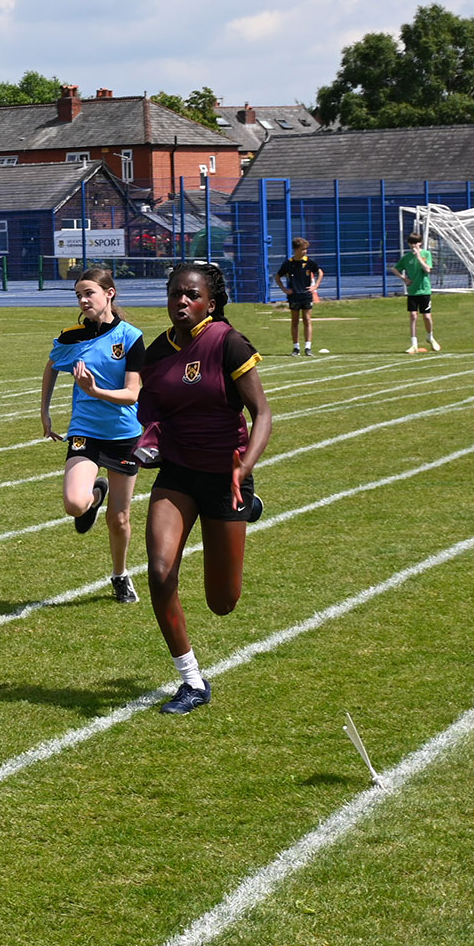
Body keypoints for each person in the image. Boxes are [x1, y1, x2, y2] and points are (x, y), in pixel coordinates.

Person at [136, 262, 274, 715]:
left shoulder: (227, 342)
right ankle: (192, 681)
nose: (181, 301)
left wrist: (244, 468)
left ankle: (247, 503)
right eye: (175, 293)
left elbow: (263, 414)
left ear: (209, 303)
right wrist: (145, 445)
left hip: (225, 475)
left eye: (191, 295)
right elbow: (150, 417)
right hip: (177, 473)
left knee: (222, 602)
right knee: (159, 572)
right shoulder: (156, 353)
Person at [39, 268, 145, 604]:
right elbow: (51, 364)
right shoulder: (72, 336)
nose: (83, 300)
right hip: (85, 432)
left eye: (89, 293)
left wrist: (95, 390)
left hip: (124, 434)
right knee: (73, 504)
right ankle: (93, 496)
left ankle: (120, 575)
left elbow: (132, 394)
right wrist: (45, 409)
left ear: (109, 294)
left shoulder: (130, 336)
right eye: (78, 295)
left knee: (120, 518)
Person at [274, 238, 324, 355]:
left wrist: (315, 286)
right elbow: (277, 277)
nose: (305, 252)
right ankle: (296, 348)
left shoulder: (309, 263)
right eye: (302, 249)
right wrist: (284, 289)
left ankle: (308, 347)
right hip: (294, 296)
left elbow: (320, 272)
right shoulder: (289, 264)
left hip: (306, 295)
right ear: (296, 250)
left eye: (306, 249)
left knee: (307, 319)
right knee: (295, 321)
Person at [392, 230, 440, 354]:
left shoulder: (426, 254)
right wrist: (404, 279)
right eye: (411, 243)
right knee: (413, 316)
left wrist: (419, 257)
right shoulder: (406, 258)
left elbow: (428, 270)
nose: (414, 245)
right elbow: (395, 269)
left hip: (424, 290)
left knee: (427, 316)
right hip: (413, 291)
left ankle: (430, 337)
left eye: (416, 243)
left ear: (420, 243)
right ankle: (414, 344)